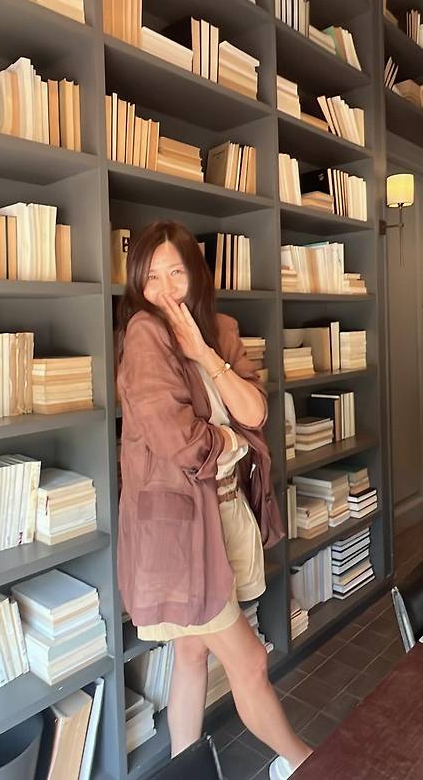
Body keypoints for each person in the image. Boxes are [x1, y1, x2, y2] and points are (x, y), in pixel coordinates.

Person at [116, 221, 313, 779]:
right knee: (249, 662)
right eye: (151, 277)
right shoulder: (144, 334)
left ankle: (184, 771)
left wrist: (203, 353)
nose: (164, 290)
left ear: (196, 276)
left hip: (225, 512)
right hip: (180, 534)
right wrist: (227, 441)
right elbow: (178, 440)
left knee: (192, 653)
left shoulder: (219, 331)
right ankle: (305, 764)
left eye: (175, 273)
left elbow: (255, 411)